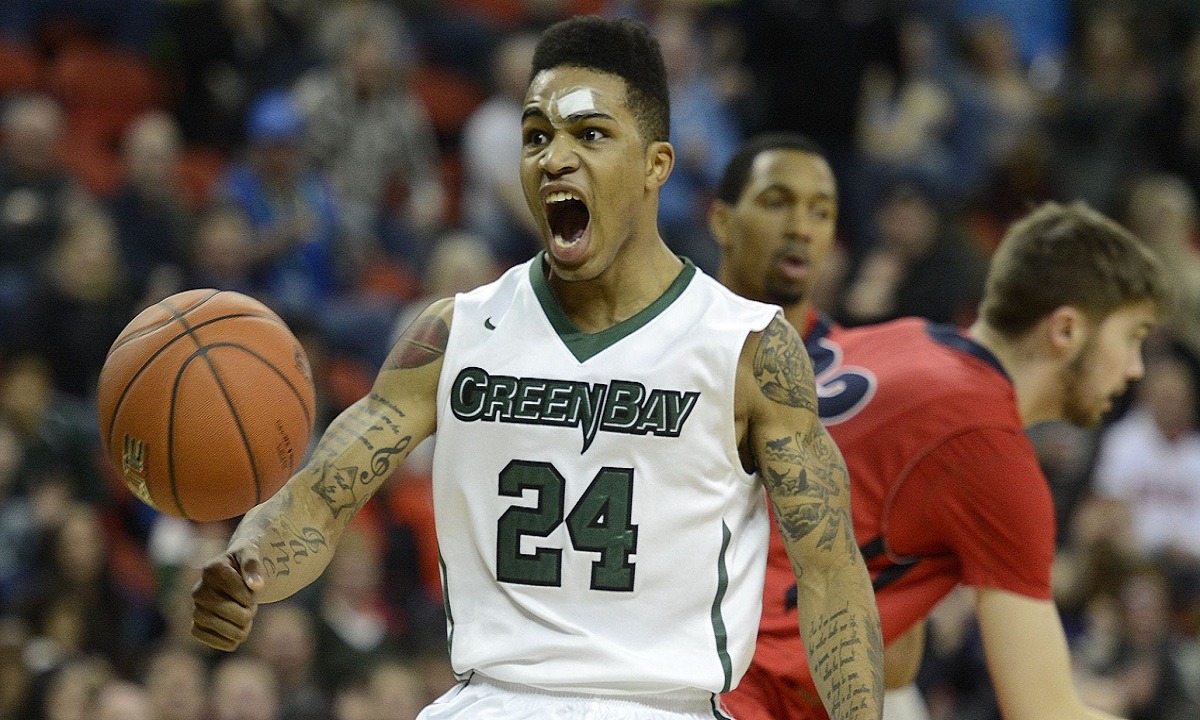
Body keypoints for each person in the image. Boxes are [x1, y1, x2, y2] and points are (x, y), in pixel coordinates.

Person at [191, 15, 884, 720]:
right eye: (536, 136)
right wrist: (249, 567)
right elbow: (320, 496)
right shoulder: (454, 333)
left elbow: (830, 572)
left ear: (656, 165)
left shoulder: (746, 347)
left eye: (590, 134)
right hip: (492, 701)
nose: (554, 158)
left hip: (663, 705)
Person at [711, 131, 1170, 720]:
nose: (1135, 369)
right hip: (742, 691)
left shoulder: (897, 338)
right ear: (1065, 331)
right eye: (1131, 338)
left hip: (684, 643)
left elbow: (894, 661)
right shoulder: (991, 453)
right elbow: (1043, 710)